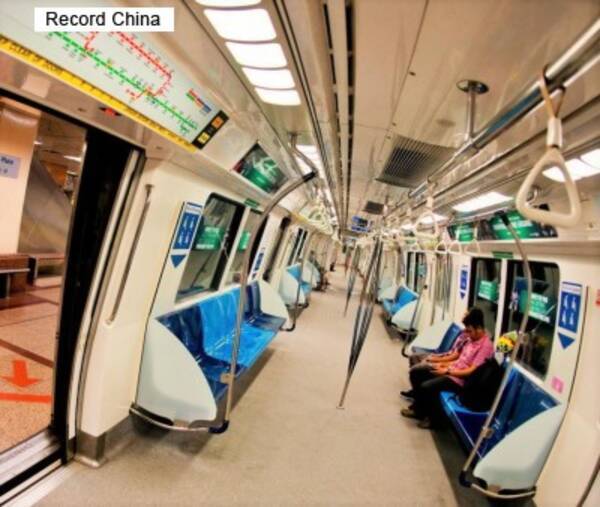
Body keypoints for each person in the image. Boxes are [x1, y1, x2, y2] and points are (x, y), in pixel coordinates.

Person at [400, 307, 494, 429]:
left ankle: (435, 420)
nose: (467, 333)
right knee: (416, 373)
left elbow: (471, 371)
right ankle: (419, 410)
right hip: (451, 370)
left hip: (460, 380)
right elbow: (459, 359)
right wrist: (444, 365)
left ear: (479, 328)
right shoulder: (471, 339)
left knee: (427, 387)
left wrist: (447, 371)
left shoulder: (486, 346)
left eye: (470, 330)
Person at [400, 310, 473, 399]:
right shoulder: (464, 335)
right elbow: (452, 354)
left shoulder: (469, 339)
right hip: (446, 358)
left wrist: (437, 361)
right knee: (414, 358)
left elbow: (455, 356)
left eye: (465, 316)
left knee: (419, 368)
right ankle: (416, 390)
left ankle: (418, 393)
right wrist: (437, 358)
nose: (463, 317)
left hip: (451, 367)